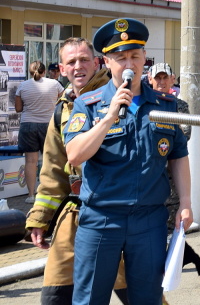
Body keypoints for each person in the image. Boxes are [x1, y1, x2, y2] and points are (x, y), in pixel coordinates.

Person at [64, 18, 192, 305]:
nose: (129, 64)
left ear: (145, 58)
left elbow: (178, 156)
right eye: (120, 58)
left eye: (135, 56)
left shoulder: (165, 105)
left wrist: (186, 202)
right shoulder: (90, 104)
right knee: (89, 300)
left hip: (148, 219)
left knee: (148, 298)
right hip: (101, 218)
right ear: (107, 62)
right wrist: (109, 117)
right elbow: (75, 154)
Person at [24, 38, 129, 304]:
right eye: (71, 62)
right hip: (74, 215)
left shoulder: (119, 98)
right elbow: (52, 170)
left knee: (140, 294)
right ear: (61, 68)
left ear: (96, 63)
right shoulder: (63, 107)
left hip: (114, 215)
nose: (78, 66)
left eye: (84, 60)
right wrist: (39, 218)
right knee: (55, 294)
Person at [149, 62, 200, 274]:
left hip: (172, 175)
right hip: (150, 174)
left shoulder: (179, 105)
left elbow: (185, 134)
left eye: (166, 78)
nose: (162, 82)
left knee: (173, 222)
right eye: (158, 78)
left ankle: (171, 262)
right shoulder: (145, 103)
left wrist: (160, 137)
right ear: (150, 80)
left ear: (173, 80)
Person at [15, 60, 63, 202]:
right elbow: (64, 100)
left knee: (30, 161)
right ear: (44, 71)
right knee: (50, 160)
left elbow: (18, 108)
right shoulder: (55, 84)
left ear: (30, 72)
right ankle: (49, 193)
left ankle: (31, 195)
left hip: (28, 125)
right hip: (48, 125)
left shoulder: (22, 86)